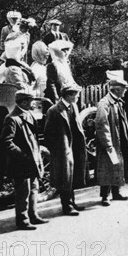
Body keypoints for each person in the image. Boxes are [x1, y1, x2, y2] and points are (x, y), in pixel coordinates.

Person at [0, 90, 48, 230]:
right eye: (31, 101)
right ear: (24, 102)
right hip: (21, 163)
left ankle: (33, 215)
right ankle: (23, 220)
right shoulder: (12, 118)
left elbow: (34, 140)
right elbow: (6, 142)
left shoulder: (29, 115)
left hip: (32, 160)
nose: (33, 103)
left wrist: (36, 156)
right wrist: (22, 156)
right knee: (23, 192)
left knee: (34, 188)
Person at [44, 84, 88, 216]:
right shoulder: (54, 110)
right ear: (69, 95)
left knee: (72, 177)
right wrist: (57, 150)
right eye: (76, 94)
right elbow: (47, 134)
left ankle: (72, 203)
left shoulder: (73, 106)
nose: (78, 96)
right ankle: (67, 206)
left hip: (74, 147)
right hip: (62, 150)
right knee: (65, 179)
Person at [95, 79, 128, 206]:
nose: (125, 91)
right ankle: (105, 196)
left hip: (118, 139)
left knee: (117, 165)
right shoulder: (104, 103)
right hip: (109, 141)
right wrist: (107, 144)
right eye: (124, 89)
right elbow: (101, 124)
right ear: (117, 90)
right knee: (106, 167)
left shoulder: (117, 102)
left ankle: (116, 192)